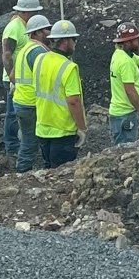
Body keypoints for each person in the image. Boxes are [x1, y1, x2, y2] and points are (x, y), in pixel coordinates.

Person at [32, 19, 87, 168]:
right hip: (63, 132)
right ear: (65, 41)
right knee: (62, 175)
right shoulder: (69, 67)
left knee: (48, 172)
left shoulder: (40, 59)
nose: (75, 43)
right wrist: (82, 128)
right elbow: (73, 101)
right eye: (74, 39)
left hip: (43, 128)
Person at [0, 0, 43, 162]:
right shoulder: (14, 28)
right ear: (25, 12)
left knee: (18, 113)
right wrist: (11, 75)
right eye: (34, 12)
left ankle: (22, 143)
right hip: (13, 78)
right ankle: (11, 146)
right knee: (12, 114)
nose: (36, 15)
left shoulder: (26, 25)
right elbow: (6, 53)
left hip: (23, 77)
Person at [10, 11, 52, 172]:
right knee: (31, 141)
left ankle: (25, 171)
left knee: (29, 139)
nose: (50, 32)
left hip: (21, 101)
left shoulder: (25, 49)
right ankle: (22, 173)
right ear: (38, 32)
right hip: (31, 104)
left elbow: (13, 75)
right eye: (47, 29)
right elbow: (48, 78)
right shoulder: (38, 52)